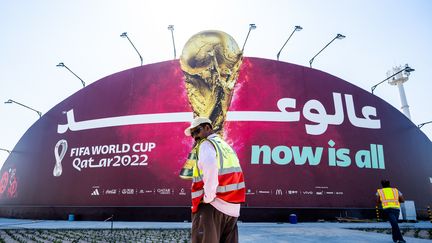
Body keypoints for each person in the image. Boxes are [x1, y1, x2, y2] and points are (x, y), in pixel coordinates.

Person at [184, 117, 246, 243]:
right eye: (192, 134)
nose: (195, 136)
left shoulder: (206, 144)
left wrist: (208, 197)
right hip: (232, 210)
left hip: (212, 207)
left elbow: (210, 167)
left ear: (208, 127)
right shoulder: (226, 146)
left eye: (197, 131)